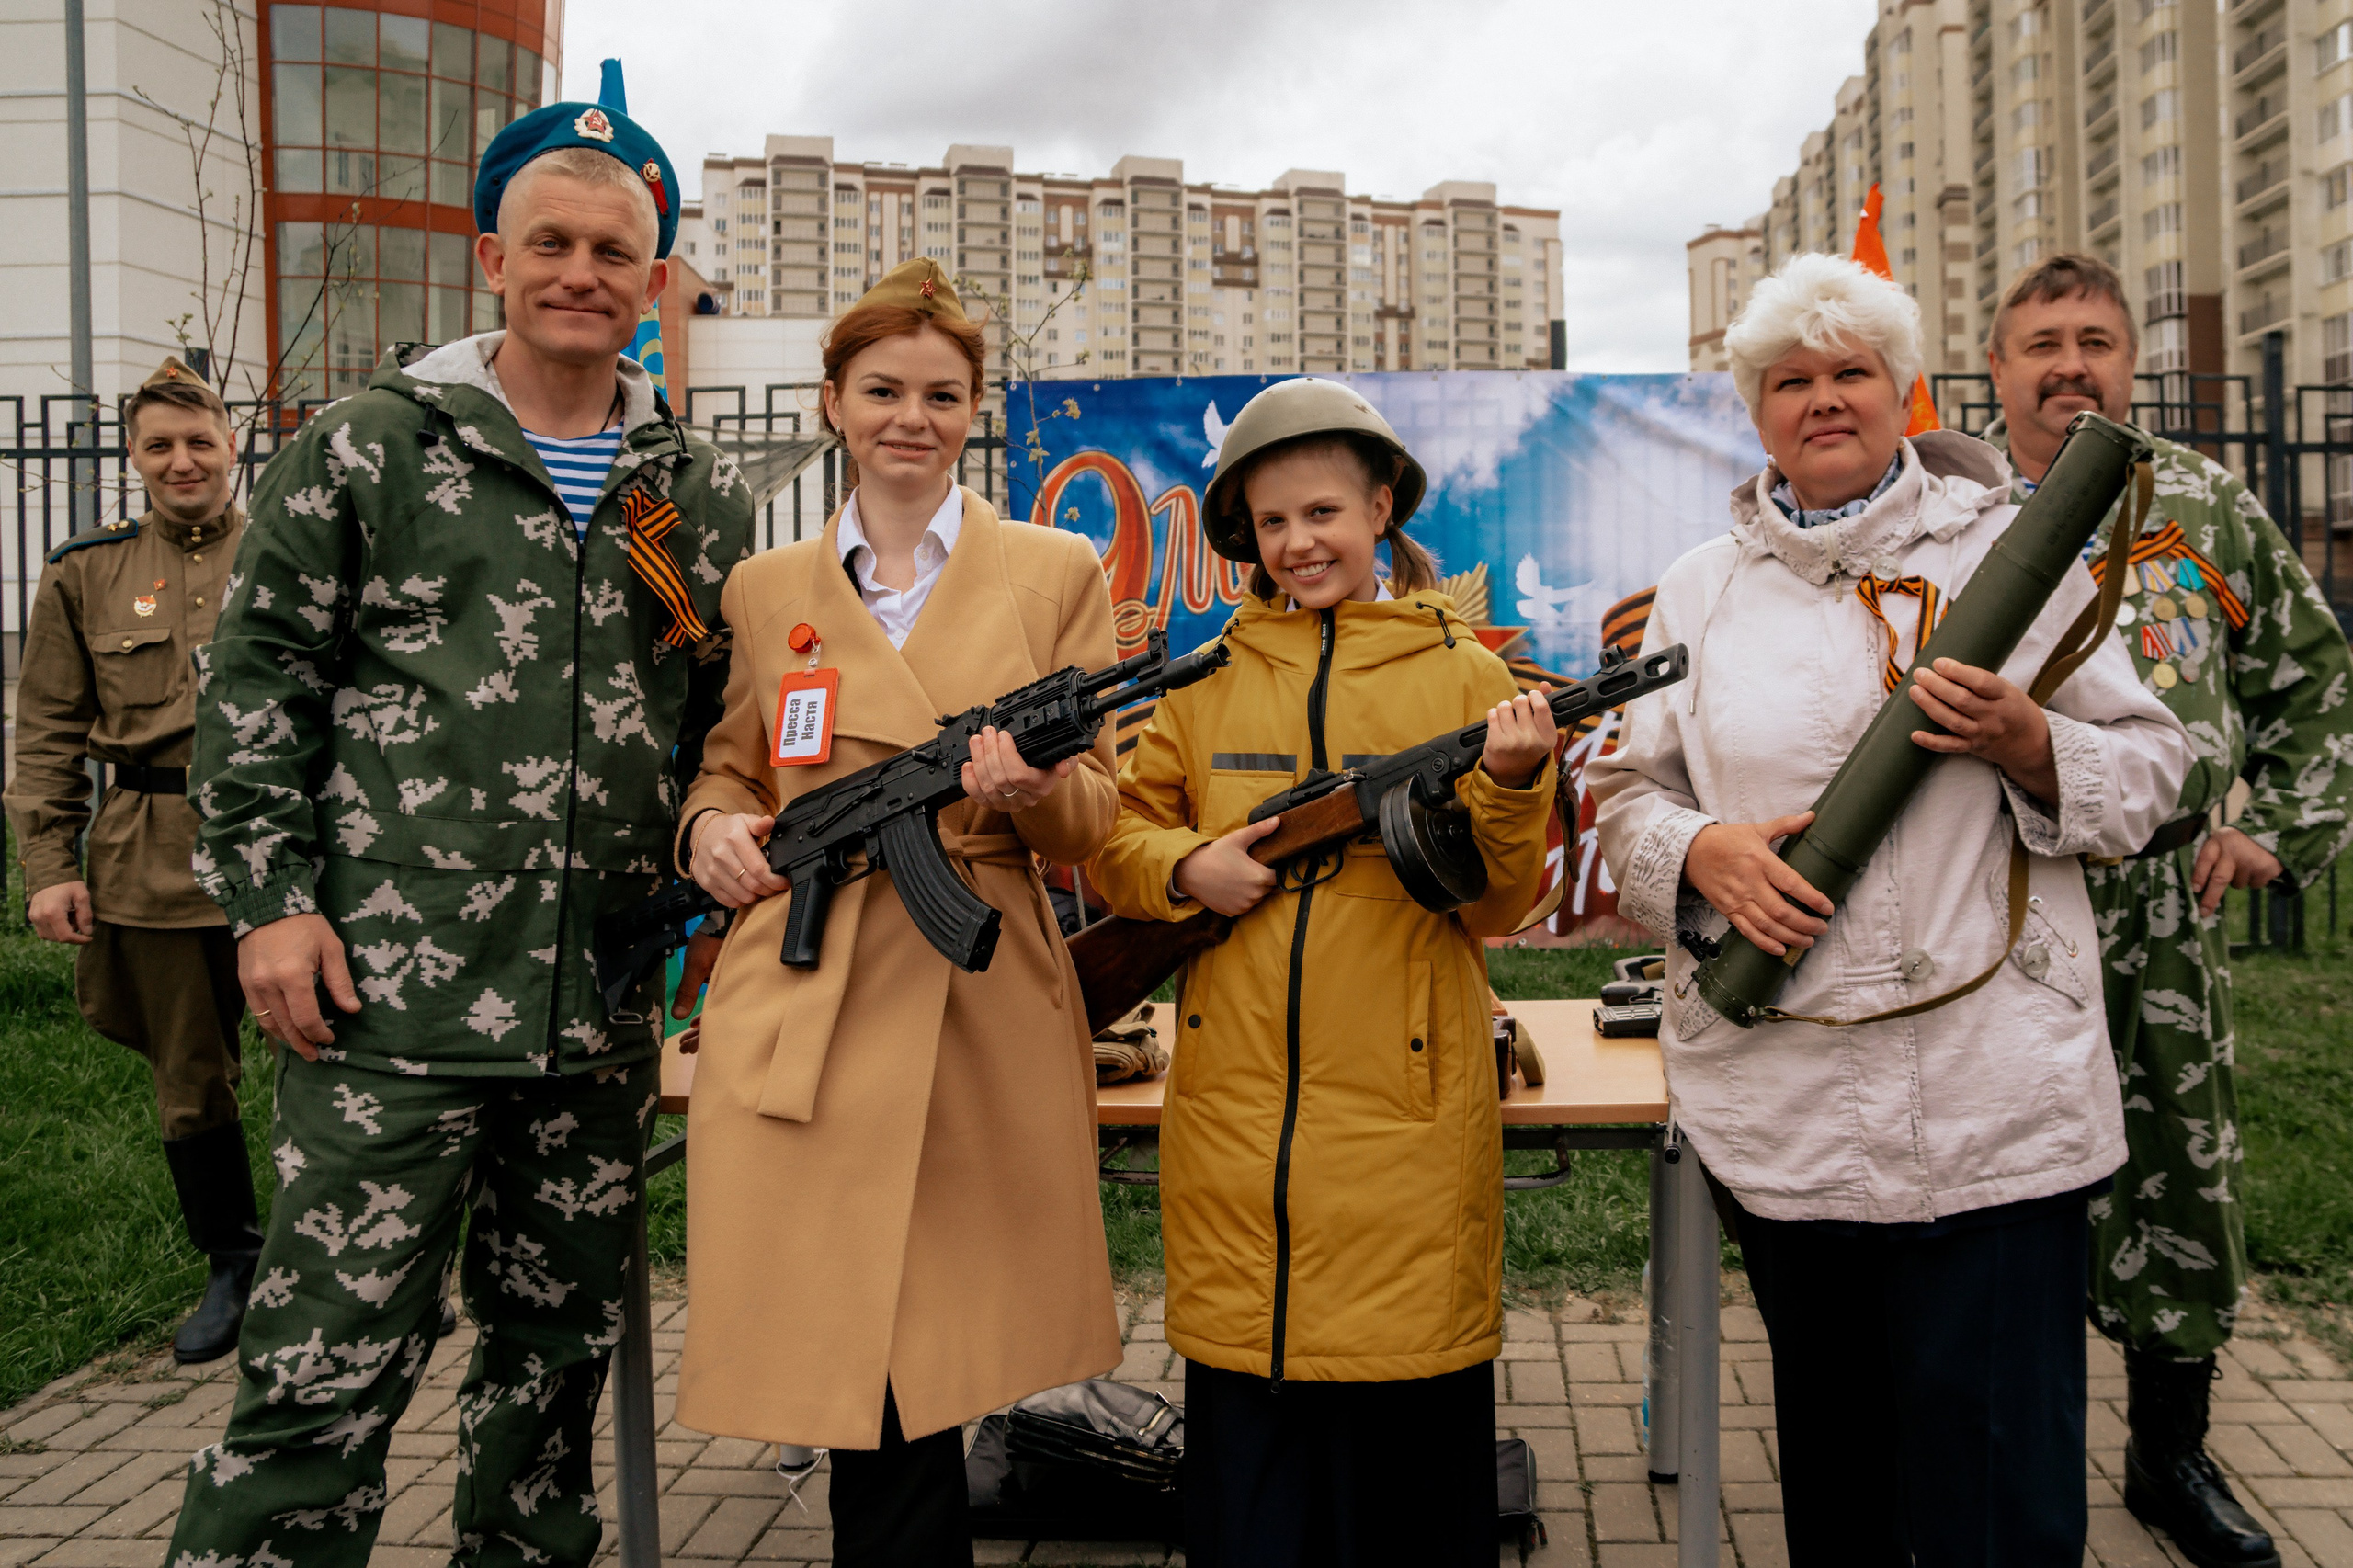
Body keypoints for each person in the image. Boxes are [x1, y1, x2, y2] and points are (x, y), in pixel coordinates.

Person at [164, 67, 754, 1568]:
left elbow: (718, 727)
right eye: (550, 242)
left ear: (653, 277)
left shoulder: (685, 490)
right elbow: (255, 691)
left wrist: (706, 837)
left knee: (555, 1370)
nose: (580, 274)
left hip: (598, 1008)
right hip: (386, 1001)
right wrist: (273, 903)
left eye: (613, 252)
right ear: (490, 256)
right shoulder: (370, 446)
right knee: (325, 1366)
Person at [1586, 252, 2193, 1567]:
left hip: (1996, 1107)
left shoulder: (2019, 562)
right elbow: (1626, 796)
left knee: (2003, 1511)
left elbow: (2153, 773)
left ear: (1906, 391)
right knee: (1844, 1498)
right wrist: (1702, 852)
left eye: (1851, 370)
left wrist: (2038, 744)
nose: (1822, 398)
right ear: (1753, 412)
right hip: (1787, 1110)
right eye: (1790, 379)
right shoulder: (1700, 588)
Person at [668, 257, 1123, 1568]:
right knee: (852, 1346)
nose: (909, 416)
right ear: (832, 402)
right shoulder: (765, 589)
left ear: (974, 410)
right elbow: (733, 764)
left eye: (940, 392)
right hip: (806, 986)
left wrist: (1032, 792)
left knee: (931, 1346)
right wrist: (711, 829)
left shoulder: (1052, 570)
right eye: (881, 389)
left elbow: (1101, 814)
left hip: (972, 992)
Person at [1087, 378, 1561, 1567]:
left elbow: (1504, 901)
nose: (1302, 543)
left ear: (1383, 506)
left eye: (1327, 513)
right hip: (1242, 1136)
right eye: (1276, 522)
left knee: (1411, 1495)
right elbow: (1121, 841)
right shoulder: (1201, 686)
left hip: (1406, 1132)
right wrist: (1191, 869)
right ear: (1245, 535)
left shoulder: (1463, 678)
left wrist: (1512, 785)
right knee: (1256, 1502)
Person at [1982, 252, 2353, 1568]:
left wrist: (2275, 833)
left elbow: (2312, 676)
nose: (2068, 362)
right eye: (2041, 341)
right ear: (1996, 368)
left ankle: (2167, 1455)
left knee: (2180, 1179)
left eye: (2094, 339)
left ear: (2131, 363)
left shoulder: (2196, 507)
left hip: (2165, 916)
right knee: (1990, 1185)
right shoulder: (1953, 513)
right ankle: (1988, 1461)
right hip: (2003, 908)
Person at [4, 358, 257, 1365]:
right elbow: (46, 732)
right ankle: (232, 1260)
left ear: (232, 444)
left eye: (200, 440)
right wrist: (48, 868)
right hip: (151, 857)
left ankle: (356, 1266)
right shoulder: (86, 572)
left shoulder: (291, 549)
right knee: (191, 1075)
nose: (181, 460)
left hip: (299, 847)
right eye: (159, 444)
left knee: (341, 1059)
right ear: (134, 456)